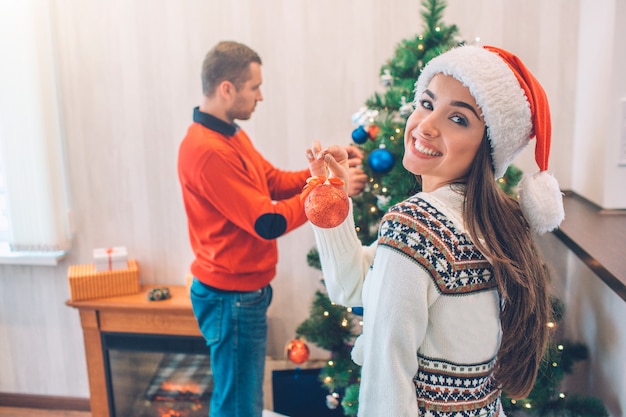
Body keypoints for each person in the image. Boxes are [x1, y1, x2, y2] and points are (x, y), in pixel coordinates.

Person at [306, 44, 564, 416]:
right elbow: (355, 285)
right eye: (427, 103)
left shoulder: (417, 225)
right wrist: (332, 203)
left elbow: (386, 378)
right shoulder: (491, 224)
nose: (426, 125)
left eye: (458, 119)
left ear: (487, 146)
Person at [177, 40, 367, 417]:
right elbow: (268, 221)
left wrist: (326, 170)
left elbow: (274, 181)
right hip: (230, 298)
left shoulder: (230, 134)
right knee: (238, 406)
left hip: (242, 293)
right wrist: (328, 192)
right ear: (227, 88)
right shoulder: (207, 150)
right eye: (254, 87)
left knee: (241, 399)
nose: (260, 96)